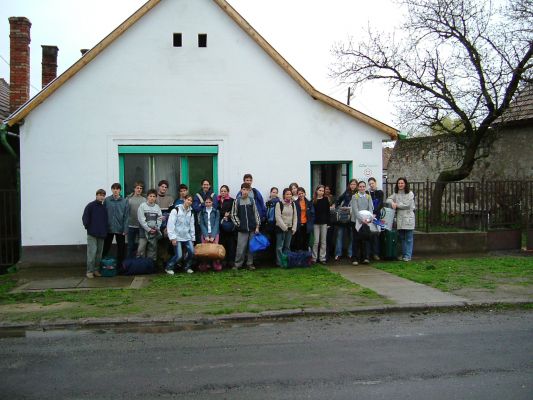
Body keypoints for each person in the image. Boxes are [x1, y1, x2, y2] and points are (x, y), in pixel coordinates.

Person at [231, 182, 261, 270]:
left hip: (252, 228)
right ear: (241, 190)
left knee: (251, 247)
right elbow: (233, 214)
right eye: (244, 189)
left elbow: (256, 214)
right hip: (242, 229)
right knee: (240, 248)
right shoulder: (237, 201)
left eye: (247, 190)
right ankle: (238, 264)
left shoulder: (252, 200)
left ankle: (250, 263)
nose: (245, 191)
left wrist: (257, 226)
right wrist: (239, 224)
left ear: (249, 191)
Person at [166, 194, 195, 274]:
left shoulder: (191, 212)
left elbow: (192, 226)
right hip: (177, 237)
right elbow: (170, 224)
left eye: (191, 201)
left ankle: (187, 267)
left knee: (192, 252)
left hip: (187, 236)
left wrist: (193, 238)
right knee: (179, 255)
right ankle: (169, 267)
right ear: (184, 200)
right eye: (188, 200)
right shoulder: (176, 210)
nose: (189, 202)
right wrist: (172, 238)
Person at [388, 177, 416, 261]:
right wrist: (392, 202)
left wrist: (396, 205)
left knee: (408, 238)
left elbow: (407, 205)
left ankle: (408, 255)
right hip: (400, 218)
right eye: (399, 183)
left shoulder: (410, 193)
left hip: (408, 217)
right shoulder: (396, 193)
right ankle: (404, 255)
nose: (400, 185)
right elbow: (388, 199)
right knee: (402, 238)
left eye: (402, 183)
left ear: (405, 184)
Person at [82, 189, 108, 278]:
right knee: (92, 253)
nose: (101, 197)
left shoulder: (104, 208)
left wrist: (105, 230)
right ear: (96, 195)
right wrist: (88, 227)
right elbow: (85, 218)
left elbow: (105, 221)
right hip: (92, 234)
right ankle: (89, 271)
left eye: (103, 195)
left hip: (101, 234)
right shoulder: (90, 206)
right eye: (100, 195)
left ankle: (96, 270)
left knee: (99, 254)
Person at [102, 183, 129, 268]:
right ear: (111, 190)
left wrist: (125, 229)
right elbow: (103, 214)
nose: (115, 190)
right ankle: (102, 264)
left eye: (117, 189)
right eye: (113, 189)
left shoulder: (125, 201)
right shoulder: (107, 200)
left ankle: (120, 266)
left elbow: (126, 216)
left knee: (121, 248)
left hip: (120, 228)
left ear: (120, 190)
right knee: (106, 247)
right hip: (108, 228)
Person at [350, 181, 374, 265]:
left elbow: (370, 208)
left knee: (365, 239)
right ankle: (355, 258)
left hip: (366, 222)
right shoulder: (354, 197)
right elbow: (355, 210)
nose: (362, 188)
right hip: (356, 221)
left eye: (363, 186)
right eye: (360, 186)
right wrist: (361, 219)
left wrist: (368, 218)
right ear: (358, 187)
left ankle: (365, 257)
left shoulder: (368, 196)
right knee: (356, 240)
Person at [334, 179, 358, 261]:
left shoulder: (358, 194)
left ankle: (350, 253)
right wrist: (338, 207)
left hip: (353, 218)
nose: (353, 186)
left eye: (354, 184)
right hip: (344, 216)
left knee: (352, 236)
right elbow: (339, 200)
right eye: (351, 184)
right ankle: (338, 253)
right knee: (339, 235)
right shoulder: (346, 192)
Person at [137, 189, 162, 261]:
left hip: (154, 232)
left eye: (154, 196)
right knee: (141, 249)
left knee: (152, 249)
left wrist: (156, 227)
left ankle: (151, 265)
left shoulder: (157, 207)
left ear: (156, 198)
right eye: (150, 196)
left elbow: (159, 218)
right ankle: (140, 265)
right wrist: (148, 229)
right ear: (147, 197)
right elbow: (141, 220)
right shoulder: (142, 206)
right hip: (143, 232)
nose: (152, 198)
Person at [198, 196, 222, 271]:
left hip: (214, 233)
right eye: (206, 202)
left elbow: (216, 224)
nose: (208, 204)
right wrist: (205, 235)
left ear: (212, 203)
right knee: (205, 251)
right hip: (205, 234)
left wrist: (213, 236)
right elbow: (201, 224)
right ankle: (205, 265)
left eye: (209, 202)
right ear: (204, 203)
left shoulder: (216, 211)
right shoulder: (202, 212)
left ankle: (215, 265)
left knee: (214, 251)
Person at [274, 188, 297, 266]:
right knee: (279, 247)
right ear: (284, 195)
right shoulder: (279, 204)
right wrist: (284, 228)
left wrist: (294, 228)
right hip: (280, 228)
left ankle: (286, 262)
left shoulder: (293, 204)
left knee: (287, 246)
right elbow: (278, 217)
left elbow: (295, 217)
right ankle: (280, 262)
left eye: (290, 194)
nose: (289, 195)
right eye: (287, 194)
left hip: (290, 229)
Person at [217, 185, 236, 268]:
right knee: (222, 243)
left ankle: (231, 261)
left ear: (228, 192)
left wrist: (229, 215)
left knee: (231, 244)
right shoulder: (216, 200)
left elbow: (234, 211)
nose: (223, 192)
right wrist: (223, 213)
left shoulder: (232, 200)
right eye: (222, 191)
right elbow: (216, 211)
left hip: (229, 225)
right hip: (220, 225)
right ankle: (223, 261)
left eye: (225, 191)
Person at [312, 185, 330, 264]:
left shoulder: (326, 199)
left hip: (324, 223)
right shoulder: (313, 200)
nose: (321, 192)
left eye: (323, 191)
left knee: (323, 241)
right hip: (315, 224)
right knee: (316, 241)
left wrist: (328, 223)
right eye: (320, 190)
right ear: (316, 191)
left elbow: (328, 212)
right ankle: (314, 258)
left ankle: (322, 258)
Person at [126, 181, 145, 258]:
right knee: (130, 246)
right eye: (137, 188)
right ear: (134, 189)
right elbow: (126, 213)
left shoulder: (144, 200)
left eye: (141, 188)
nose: (139, 189)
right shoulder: (129, 199)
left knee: (140, 246)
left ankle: (139, 263)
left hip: (141, 227)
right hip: (130, 226)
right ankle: (129, 263)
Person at [293, 187, 315, 251]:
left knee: (306, 241)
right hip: (299, 224)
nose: (301, 195)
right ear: (297, 195)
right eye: (299, 194)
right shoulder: (295, 203)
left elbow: (313, 213)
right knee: (299, 241)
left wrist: (311, 222)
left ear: (305, 193)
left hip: (307, 224)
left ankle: (306, 257)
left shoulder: (309, 202)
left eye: (302, 193)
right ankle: (299, 257)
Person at [367, 177, 384, 261]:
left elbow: (380, 204)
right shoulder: (367, 193)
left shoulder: (380, 192)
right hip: (369, 216)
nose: (371, 185)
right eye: (370, 184)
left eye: (372, 183)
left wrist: (375, 213)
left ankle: (376, 253)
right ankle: (369, 253)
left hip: (377, 216)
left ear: (375, 183)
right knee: (369, 234)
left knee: (376, 235)